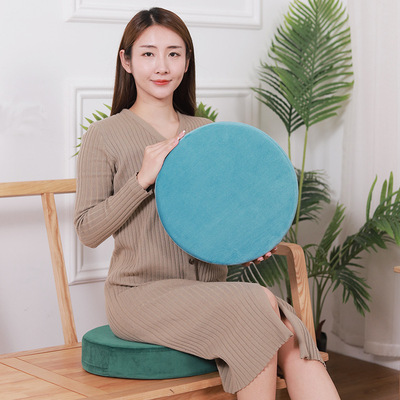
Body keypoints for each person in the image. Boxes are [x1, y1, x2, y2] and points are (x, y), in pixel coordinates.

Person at [74, 7, 340, 400]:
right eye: (148, 53)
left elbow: (217, 220)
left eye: (174, 53)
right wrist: (142, 180)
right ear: (126, 61)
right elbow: (87, 230)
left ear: (187, 62)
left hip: (210, 292)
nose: (162, 66)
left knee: (294, 339)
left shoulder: (205, 132)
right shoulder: (104, 135)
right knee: (260, 306)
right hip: (139, 295)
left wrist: (245, 247)